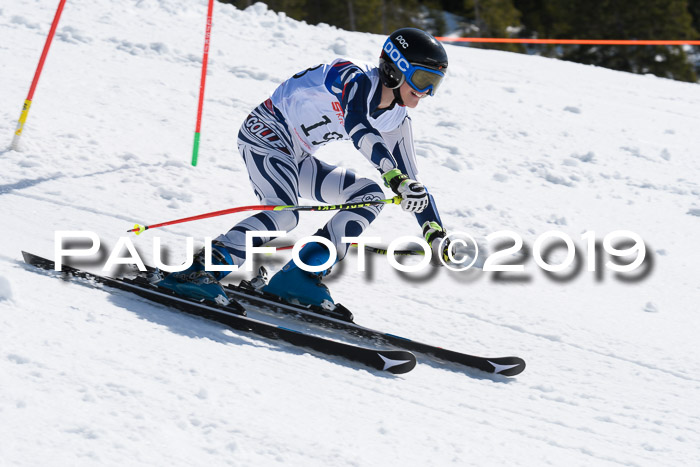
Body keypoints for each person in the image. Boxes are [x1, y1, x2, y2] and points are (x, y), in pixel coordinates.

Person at [158, 27, 452, 309]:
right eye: (422, 79)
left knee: (370, 195)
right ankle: (201, 269)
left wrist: (434, 232)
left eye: (434, 84)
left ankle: (300, 275)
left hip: (296, 156)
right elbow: (357, 123)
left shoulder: (395, 119)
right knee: (285, 214)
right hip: (265, 134)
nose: (426, 92)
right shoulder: (354, 76)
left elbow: (412, 182)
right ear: (395, 69)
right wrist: (392, 175)